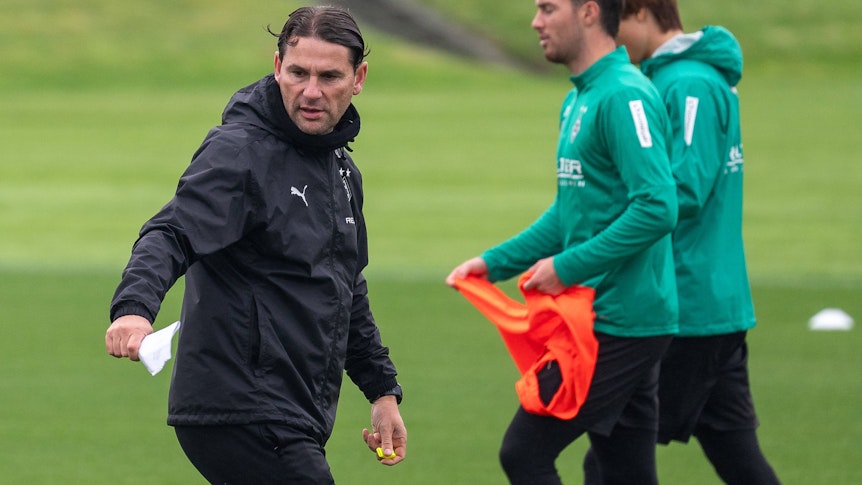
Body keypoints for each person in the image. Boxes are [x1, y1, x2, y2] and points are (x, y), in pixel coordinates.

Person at [104, 6, 406, 484]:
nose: (311, 91)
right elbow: (172, 231)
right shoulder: (241, 152)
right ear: (276, 68)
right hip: (238, 406)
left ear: (358, 77)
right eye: (298, 73)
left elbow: (345, 286)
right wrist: (134, 308)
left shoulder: (342, 172)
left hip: (294, 409)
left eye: (329, 76)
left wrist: (382, 392)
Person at [446, 0, 679, 483]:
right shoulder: (578, 99)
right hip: (607, 315)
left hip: (622, 320)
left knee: (524, 453)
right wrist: (493, 263)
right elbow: (568, 213)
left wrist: (566, 267)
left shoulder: (624, 96)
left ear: (590, 11)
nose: (536, 22)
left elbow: (658, 206)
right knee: (624, 471)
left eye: (548, 8)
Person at [585, 1, 782, 483]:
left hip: (688, 306)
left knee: (610, 453)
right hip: (710, 303)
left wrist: (604, 218)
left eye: (616, 26)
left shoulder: (688, 83)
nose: (611, 41)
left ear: (643, 13)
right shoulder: (677, 77)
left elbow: (685, 190)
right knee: (735, 453)